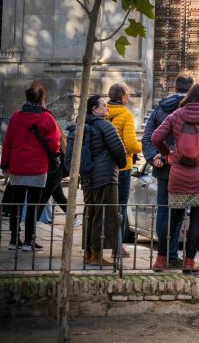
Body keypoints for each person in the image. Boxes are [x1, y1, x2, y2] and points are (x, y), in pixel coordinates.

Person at [151, 83, 199, 273]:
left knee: (173, 218)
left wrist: (168, 153)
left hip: (178, 174)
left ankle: (160, 260)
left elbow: (156, 137)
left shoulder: (176, 114)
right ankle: (189, 263)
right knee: (196, 219)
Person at [1, 82, 61, 251]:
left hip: (17, 167)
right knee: (34, 205)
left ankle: (13, 240)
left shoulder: (15, 116)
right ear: (43, 99)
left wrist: (5, 164)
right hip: (38, 167)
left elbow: (8, 142)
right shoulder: (48, 118)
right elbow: (54, 144)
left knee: (16, 204)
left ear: (26, 97)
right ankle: (28, 241)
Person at [142, 74, 193, 268]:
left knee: (164, 210)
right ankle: (170, 255)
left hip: (163, 168)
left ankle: (162, 256)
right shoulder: (194, 110)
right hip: (185, 168)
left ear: (174, 86)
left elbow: (147, 138)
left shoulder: (159, 110)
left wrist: (155, 157)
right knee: (178, 211)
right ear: (192, 88)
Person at [76, 95, 127, 266]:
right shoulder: (105, 125)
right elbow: (119, 150)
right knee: (104, 214)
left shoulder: (82, 125)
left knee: (90, 213)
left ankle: (88, 254)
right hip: (105, 176)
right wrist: (121, 164)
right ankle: (96, 256)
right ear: (94, 109)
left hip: (87, 177)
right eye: (104, 106)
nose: (107, 109)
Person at [106, 82, 142, 256]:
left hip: (104, 167)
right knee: (121, 206)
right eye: (127, 94)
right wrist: (142, 146)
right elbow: (130, 144)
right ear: (123, 97)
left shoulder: (101, 112)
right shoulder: (125, 115)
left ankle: (97, 246)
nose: (128, 97)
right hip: (122, 167)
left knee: (104, 206)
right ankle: (117, 246)